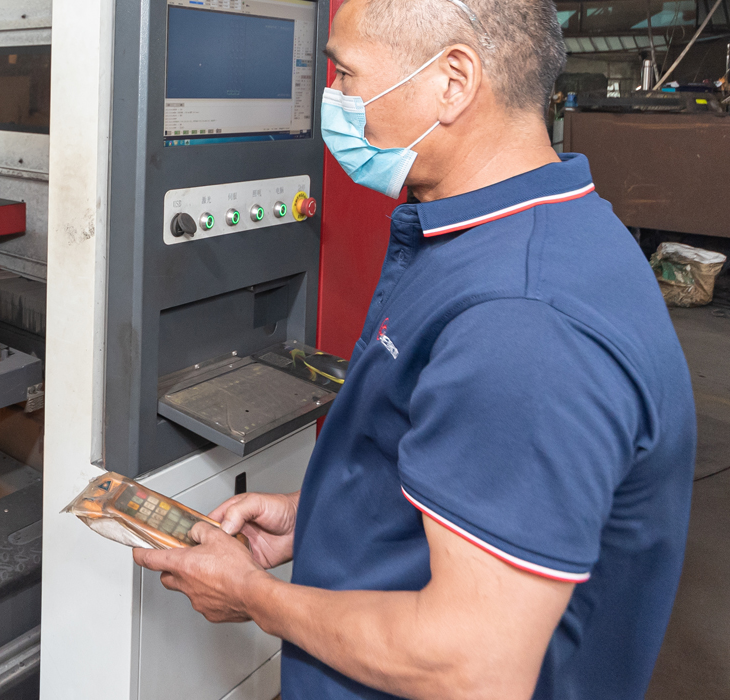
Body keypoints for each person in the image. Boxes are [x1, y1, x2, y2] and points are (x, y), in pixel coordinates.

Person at [132, 1, 697, 698]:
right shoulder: (511, 235)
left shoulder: (523, 324)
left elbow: (468, 667)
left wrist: (252, 595)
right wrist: (315, 517)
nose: (332, 99)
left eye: (345, 74)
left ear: (452, 82)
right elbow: (460, 459)